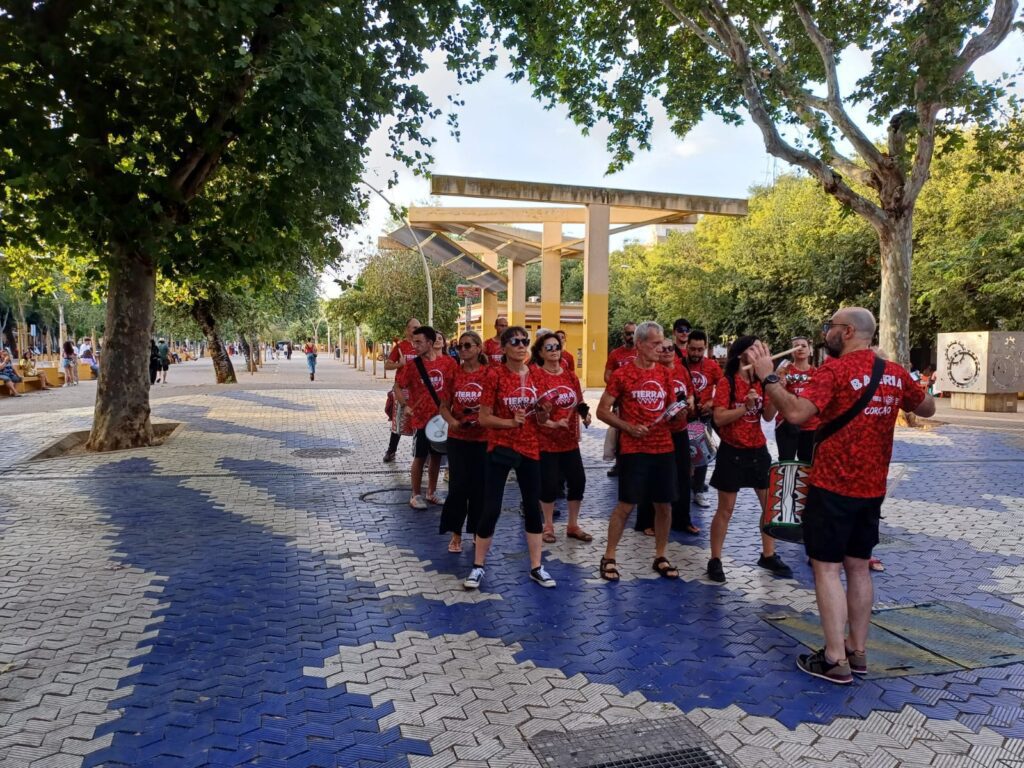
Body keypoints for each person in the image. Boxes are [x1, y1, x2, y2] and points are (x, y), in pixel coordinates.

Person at [749, 308, 935, 684]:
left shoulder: (833, 371)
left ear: (847, 331)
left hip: (832, 487)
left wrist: (769, 378)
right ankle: (857, 651)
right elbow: (928, 408)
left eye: (830, 327)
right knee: (859, 567)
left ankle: (834, 658)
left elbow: (796, 413)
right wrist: (899, 378)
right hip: (872, 489)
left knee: (827, 569)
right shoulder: (894, 372)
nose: (826, 333)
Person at [466, 325, 557, 590]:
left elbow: (542, 418)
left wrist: (544, 412)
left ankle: (537, 567)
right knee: (491, 507)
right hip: (501, 447)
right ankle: (478, 566)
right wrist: (509, 423)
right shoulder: (494, 375)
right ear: (503, 347)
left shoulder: (537, 374)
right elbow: (484, 418)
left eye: (525, 341)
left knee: (531, 507)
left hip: (530, 448)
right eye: (515, 342)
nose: (521, 346)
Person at [596, 321, 685, 582]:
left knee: (664, 505)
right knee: (626, 505)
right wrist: (628, 427)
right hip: (634, 449)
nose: (661, 348)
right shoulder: (622, 375)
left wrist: (680, 413)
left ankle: (660, 555)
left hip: (663, 447)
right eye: (655, 343)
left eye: (663, 343)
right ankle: (609, 556)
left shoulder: (666, 374)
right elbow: (602, 411)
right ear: (639, 344)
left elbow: (673, 412)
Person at [706, 335, 792, 584]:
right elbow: (719, 418)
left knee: (769, 506)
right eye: (754, 348)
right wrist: (745, 406)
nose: (759, 352)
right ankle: (715, 559)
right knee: (726, 509)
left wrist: (778, 392)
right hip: (732, 451)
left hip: (757, 451)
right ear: (741, 354)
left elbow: (767, 416)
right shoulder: (727, 383)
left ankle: (768, 554)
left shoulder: (761, 381)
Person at [531, 332, 592, 544]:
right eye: (548, 347)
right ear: (540, 352)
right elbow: (534, 411)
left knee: (578, 481)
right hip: (546, 440)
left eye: (557, 346)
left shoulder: (570, 375)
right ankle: (548, 526)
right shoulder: (535, 375)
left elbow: (579, 401)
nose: (554, 350)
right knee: (548, 485)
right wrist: (551, 422)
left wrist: (585, 415)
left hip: (569, 439)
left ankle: (573, 525)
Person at [635, 336, 698, 536]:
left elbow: (690, 392)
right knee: (653, 477)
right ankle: (646, 520)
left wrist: (690, 402)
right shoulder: (652, 371)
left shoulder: (682, 369)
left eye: (671, 348)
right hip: (658, 433)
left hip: (680, 430)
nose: (668, 352)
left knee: (683, 476)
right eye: (663, 348)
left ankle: (682, 520)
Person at [394, 325, 458, 510]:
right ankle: (415, 495)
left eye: (418, 342)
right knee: (420, 457)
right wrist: (405, 405)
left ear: (430, 343)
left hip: (441, 419)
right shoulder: (412, 366)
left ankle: (431, 492)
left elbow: (456, 385)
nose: (415, 346)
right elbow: (397, 386)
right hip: (421, 420)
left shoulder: (448, 363)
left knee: (436, 456)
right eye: (413, 342)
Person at [438, 331, 490, 553]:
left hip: (484, 439)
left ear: (479, 348)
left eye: (468, 345)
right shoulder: (453, 374)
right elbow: (443, 407)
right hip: (458, 439)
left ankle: (478, 531)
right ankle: (456, 534)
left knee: (480, 488)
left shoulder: (490, 374)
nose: (463, 350)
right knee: (458, 488)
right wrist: (453, 422)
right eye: (460, 346)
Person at [683, 330, 722, 508]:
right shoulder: (679, 364)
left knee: (702, 455)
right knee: (682, 456)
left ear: (705, 347)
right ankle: (682, 490)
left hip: (703, 418)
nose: (696, 353)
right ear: (687, 347)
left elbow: (723, 388)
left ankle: (698, 491)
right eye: (693, 349)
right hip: (681, 418)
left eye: (700, 350)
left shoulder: (712, 366)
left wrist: (711, 403)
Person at [383, 318, 421, 463]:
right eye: (414, 327)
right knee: (398, 421)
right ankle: (391, 451)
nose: (416, 330)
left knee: (420, 423)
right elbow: (387, 365)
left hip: (420, 390)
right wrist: (400, 364)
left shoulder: (423, 346)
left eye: (418, 327)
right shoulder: (401, 346)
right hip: (402, 389)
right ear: (407, 330)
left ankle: (420, 455)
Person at [774, 336, 818, 462]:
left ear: (810, 350)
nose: (800, 349)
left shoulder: (817, 373)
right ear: (791, 351)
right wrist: (780, 385)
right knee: (786, 463)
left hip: (811, 426)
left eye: (804, 346)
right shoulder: (783, 370)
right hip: (787, 423)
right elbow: (776, 397)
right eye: (796, 346)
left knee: (807, 464)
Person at [603, 321, 638, 477]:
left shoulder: (643, 353)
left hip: (640, 400)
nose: (631, 336)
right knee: (618, 431)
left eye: (633, 333)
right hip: (620, 400)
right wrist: (619, 388)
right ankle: (618, 464)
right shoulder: (615, 354)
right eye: (628, 333)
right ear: (623, 335)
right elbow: (607, 375)